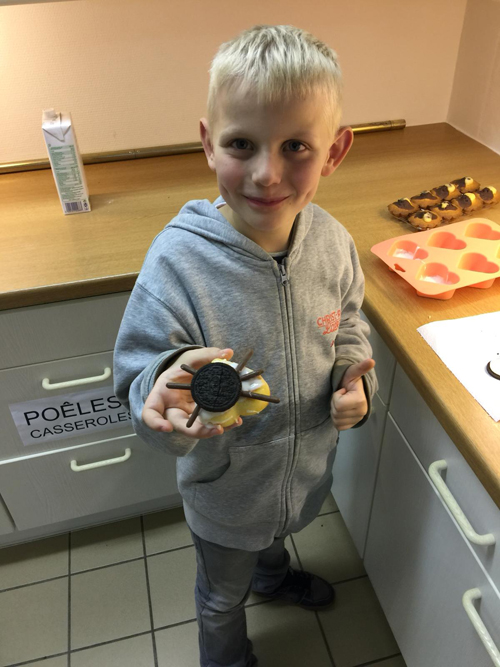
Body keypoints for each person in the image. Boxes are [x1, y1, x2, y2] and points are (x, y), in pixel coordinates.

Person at [113, 24, 378, 667]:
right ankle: (228, 658)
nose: (266, 173)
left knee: (276, 538)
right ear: (208, 143)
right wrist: (164, 393)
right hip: (226, 491)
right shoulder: (177, 262)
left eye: (295, 146)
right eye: (241, 144)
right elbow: (143, 371)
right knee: (219, 599)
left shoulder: (333, 241)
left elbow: (347, 321)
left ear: (335, 151)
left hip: (302, 473)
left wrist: (353, 376)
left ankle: (272, 575)